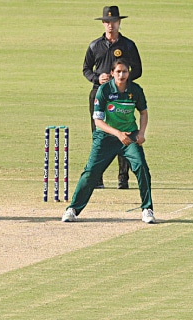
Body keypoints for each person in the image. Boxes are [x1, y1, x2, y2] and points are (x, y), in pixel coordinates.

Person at [62, 57, 155, 224]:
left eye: (124, 71)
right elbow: (98, 121)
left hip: (129, 135)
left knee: (141, 167)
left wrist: (141, 133)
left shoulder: (136, 90)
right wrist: (118, 133)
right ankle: (73, 209)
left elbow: (143, 112)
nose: (121, 75)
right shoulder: (104, 90)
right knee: (91, 172)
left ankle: (147, 209)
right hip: (106, 137)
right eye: (118, 72)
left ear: (128, 73)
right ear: (112, 73)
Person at [82, 6, 142, 189]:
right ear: (103, 23)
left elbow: (138, 70)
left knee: (122, 133)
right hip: (99, 93)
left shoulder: (128, 45)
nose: (110, 25)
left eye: (113, 21)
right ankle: (97, 178)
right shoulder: (95, 45)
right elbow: (86, 69)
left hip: (121, 96)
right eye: (107, 22)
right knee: (99, 134)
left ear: (119, 22)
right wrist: (96, 78)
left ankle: (122, 178)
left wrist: (121, 78)